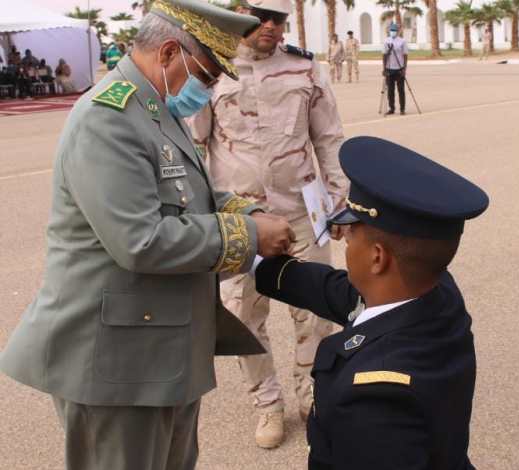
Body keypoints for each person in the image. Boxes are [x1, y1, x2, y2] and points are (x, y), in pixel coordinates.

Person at [0, 2, 298, 469]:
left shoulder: (154, 106)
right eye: (206, 76)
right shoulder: (108, 118)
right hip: (118, 364)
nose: (208, 89)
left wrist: (250, 213)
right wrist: (248, 235)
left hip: (161, 351)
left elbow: (191, 195)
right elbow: (140, 241)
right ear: (169, 53)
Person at [253, 136, 489, 469]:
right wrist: (249, 254)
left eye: (351, 236)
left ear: (377, 258)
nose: (346, 244)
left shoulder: (374, 399)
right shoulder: (436, 293)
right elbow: (332, 290)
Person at [188, 0, 348, 449]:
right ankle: (267, 403)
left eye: (279, 18)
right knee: (243, 314)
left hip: (300, 211)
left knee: (316, 312)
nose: (272, 26)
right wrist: (197, 215)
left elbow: (328, 137)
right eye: (262, 16)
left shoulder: (304, 69)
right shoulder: (212, 69)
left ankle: (312, 397)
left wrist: (339, 200)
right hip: (240, 219)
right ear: (239, 11)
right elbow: (194, 145)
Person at [383, 23, 408, 115]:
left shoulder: (402, 41)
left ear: (397, 32)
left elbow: (405, 55)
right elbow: (384, 55)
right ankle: (391, 108)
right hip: (389, 68)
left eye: (394, 30)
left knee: (401, 90)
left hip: (399, 68)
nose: (392, 32)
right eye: (391, 30)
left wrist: (404, 68)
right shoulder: (386, 41)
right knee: (390, 90)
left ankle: (402, 108)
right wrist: (384, 68)